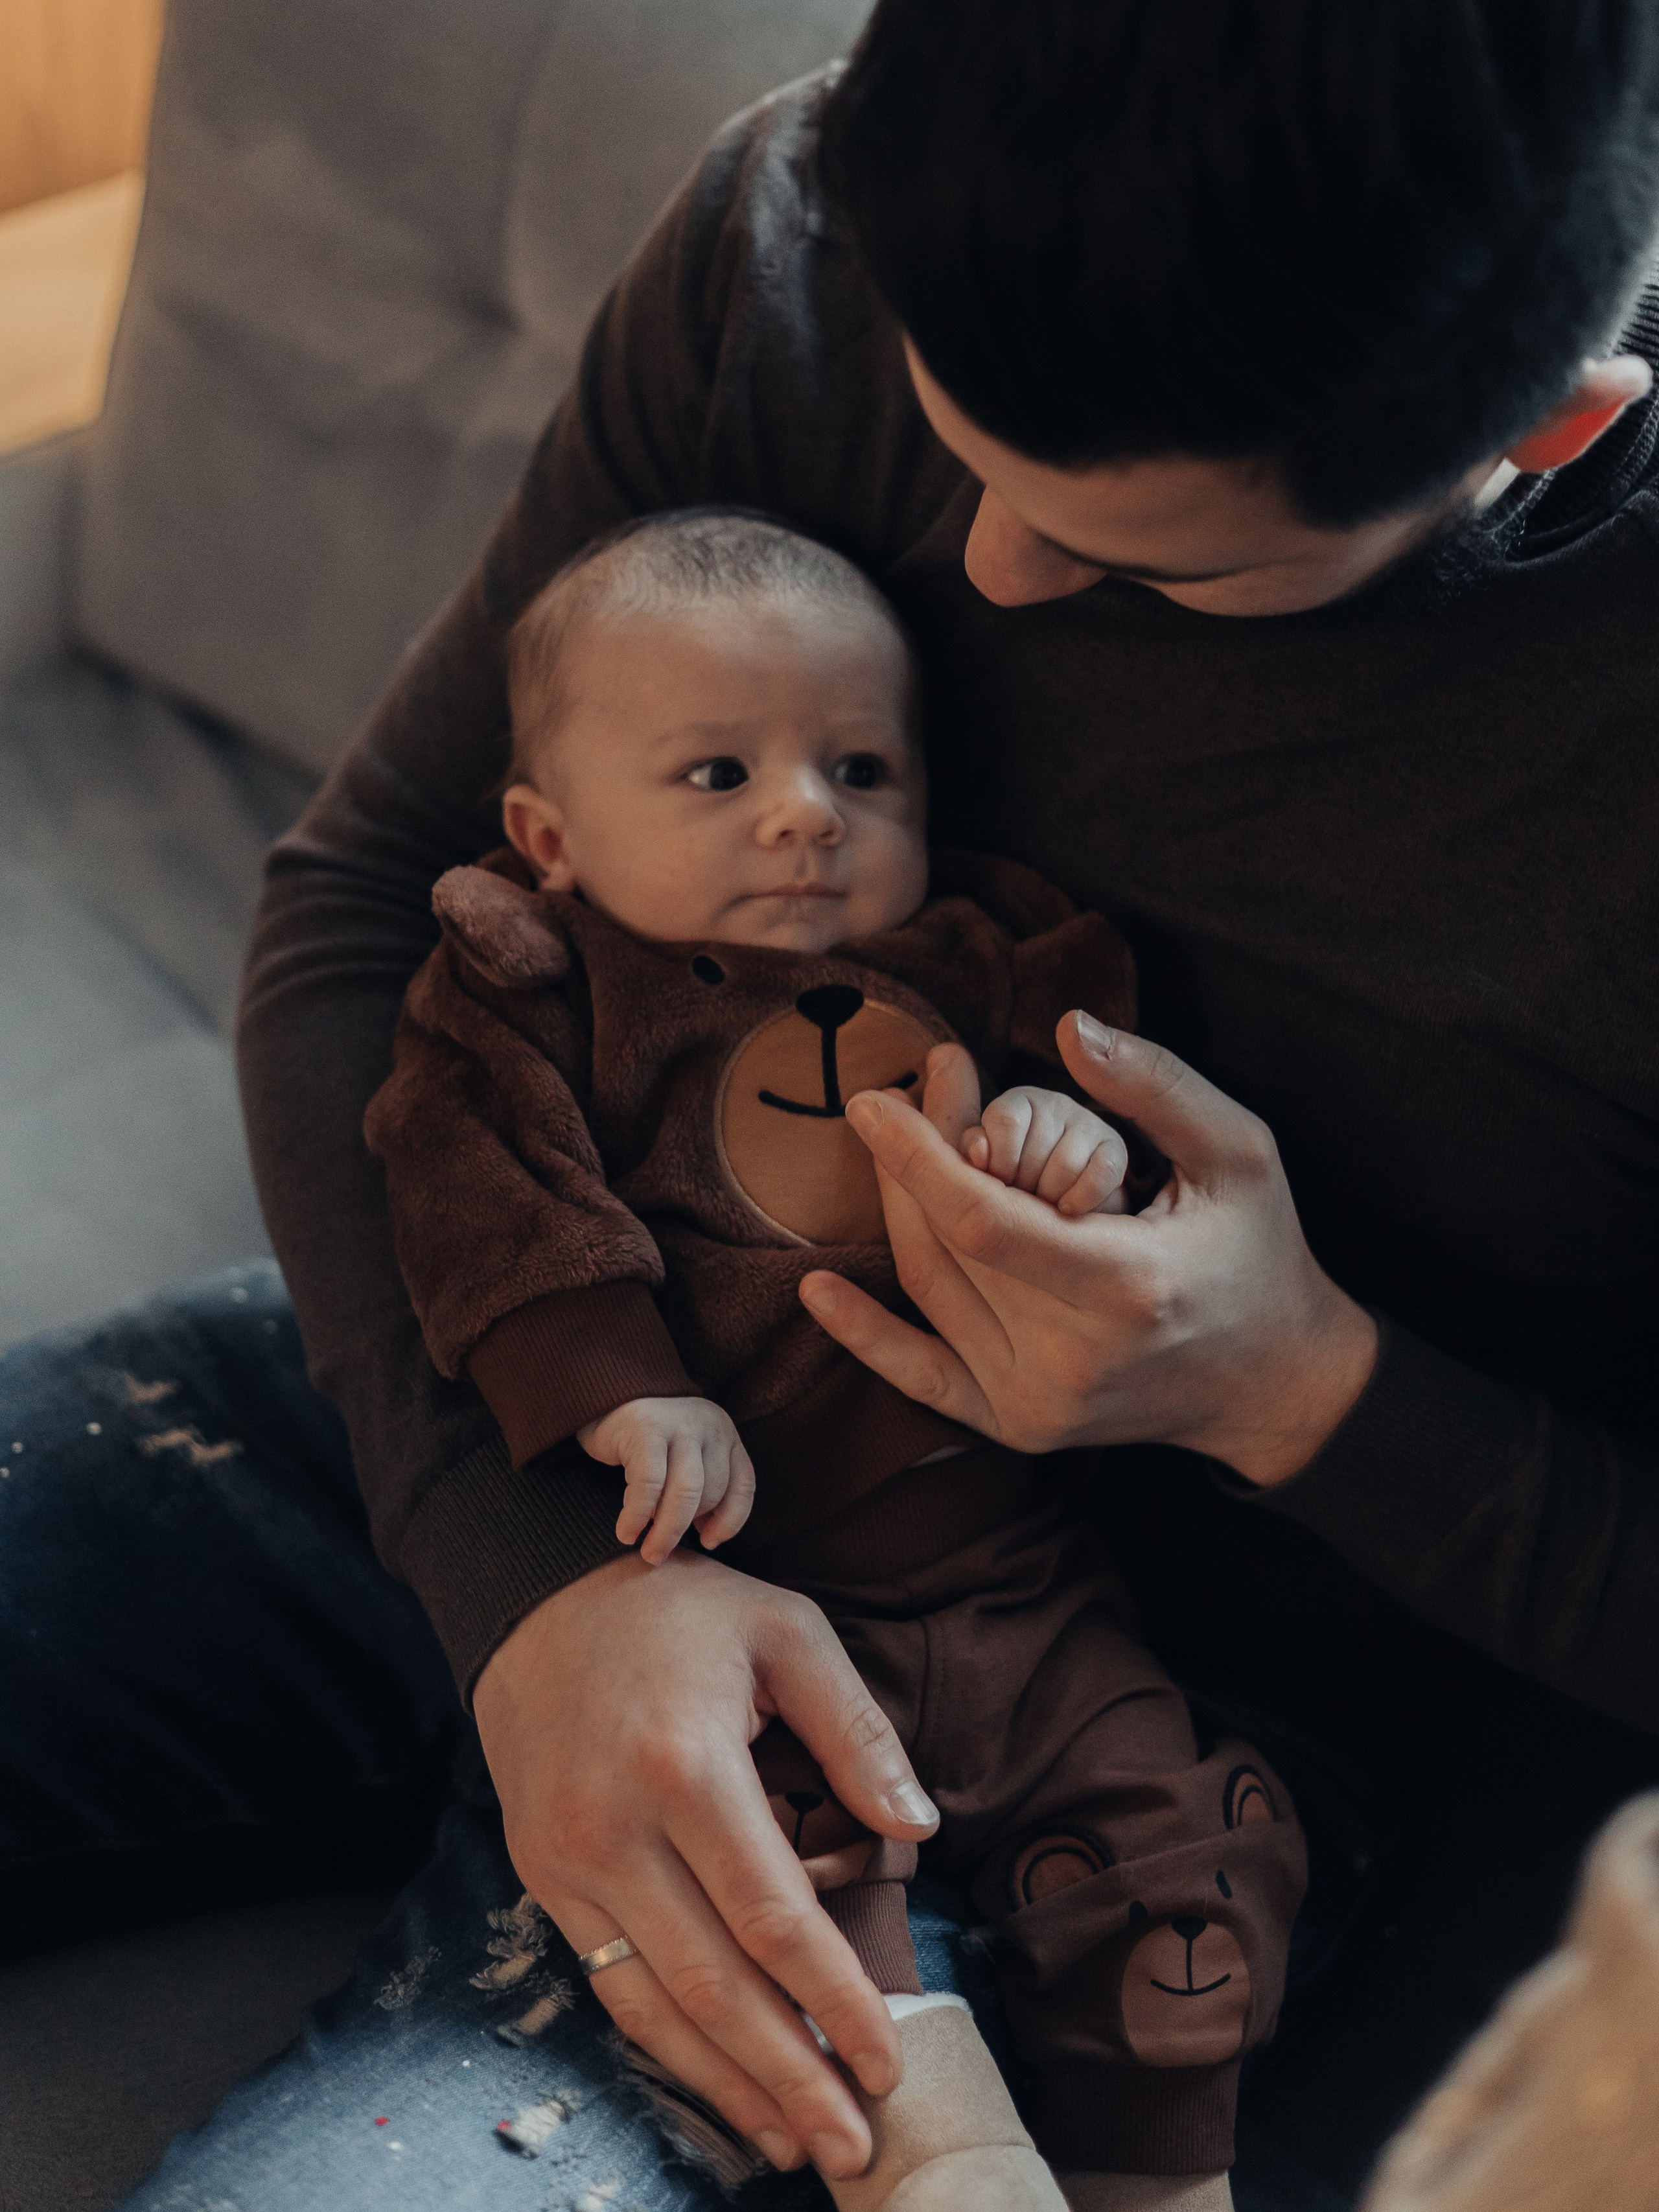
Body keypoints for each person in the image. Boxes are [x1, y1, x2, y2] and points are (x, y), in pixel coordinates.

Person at [4, 2, 1658, 2206]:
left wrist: (1300, 1387)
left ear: (1552, 431)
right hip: (543, 1369)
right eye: (943, 430)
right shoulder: (811, 228)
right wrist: (541, 1595)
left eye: (1146, 561)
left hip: (1098, 1737)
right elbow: (361, 919)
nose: (978, 578)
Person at [361, 504, 1309, 2211]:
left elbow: (1109, 1129)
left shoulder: (986, 958)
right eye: (719, 776)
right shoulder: (544, 982)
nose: (809, 813)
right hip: (760, 1598)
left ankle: (1165, 2172)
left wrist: (1063, 1135)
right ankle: (943, 2161)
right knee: (777, 1858)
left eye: (862, 770)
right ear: (547, 833)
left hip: (1027, 1585)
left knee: (1176, 1847)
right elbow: (480, 1177)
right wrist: (622, 1387)